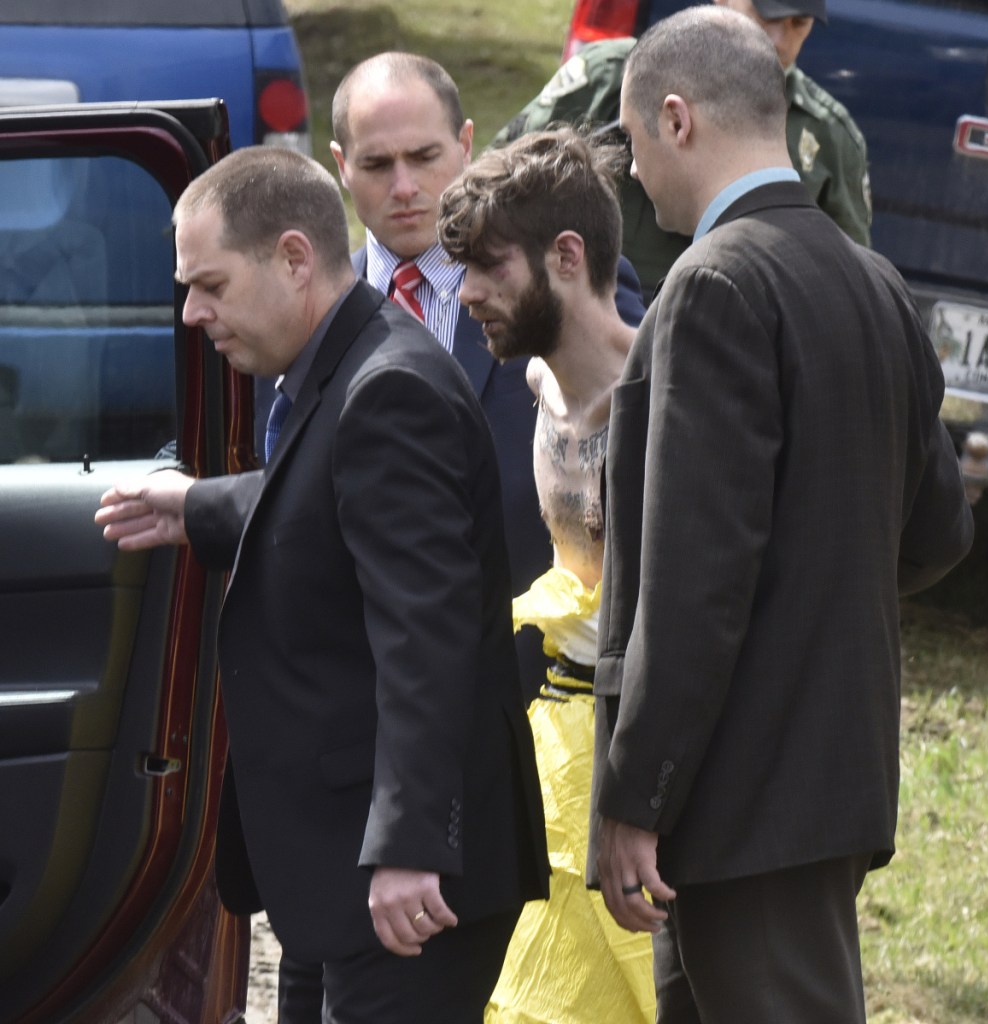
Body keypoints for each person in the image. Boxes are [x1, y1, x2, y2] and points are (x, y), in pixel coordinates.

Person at [95, 145, 549, 1024]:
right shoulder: (344, 367)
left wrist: (412, 847)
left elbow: (429, 635)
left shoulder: (388, 390)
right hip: (342, 875)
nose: (192, 312)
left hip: (408, 884)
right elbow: (323, 497)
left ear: (294, 258)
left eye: (211, 285)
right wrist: (197, 505)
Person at [588, 8, 974, 1024]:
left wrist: (635, 791)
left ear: (677, 120)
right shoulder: (876, 281)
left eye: (630, 144)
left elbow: (693, 579)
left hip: (742, 789)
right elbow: (939, 533)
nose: (633, 175)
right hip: (820, 775)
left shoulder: (713, 286)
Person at [330, 51, 647, 707]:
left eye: (424, 156)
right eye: (377, 165)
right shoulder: (315, 314)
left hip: (534, 687)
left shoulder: (558, 283)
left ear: (466, 143)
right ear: (339, 164)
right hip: (369, 697)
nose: (406, 186)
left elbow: (649, 461)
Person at [438, 126, 654, 1023]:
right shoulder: (533, 382)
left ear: (567, 257)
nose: (469, 293)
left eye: (490, 267)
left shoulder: (662, 398)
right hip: (544, 748)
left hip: (633, 765)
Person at [494, 0, 872, 297]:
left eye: (798, 23)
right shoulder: (614, 81)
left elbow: (850, 283)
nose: (778, 39)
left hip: (729, 340)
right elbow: (498, 180)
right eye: (766, 13)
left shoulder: (827, 136)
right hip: (593, 311)